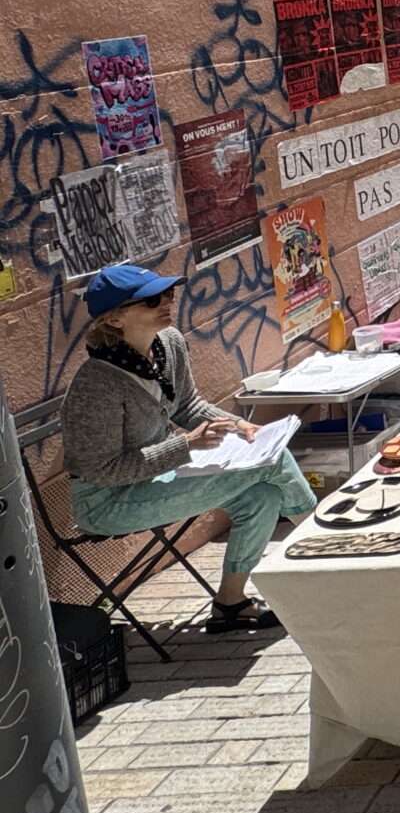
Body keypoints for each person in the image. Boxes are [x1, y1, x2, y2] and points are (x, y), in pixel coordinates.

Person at [62, 265, 317, 634]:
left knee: (261, 495)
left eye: (168, 294)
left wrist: (238, 425)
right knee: (272, 460)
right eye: (152, 300)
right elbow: (103, 470)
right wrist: (185, 445)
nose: (166, 303)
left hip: (157, 475)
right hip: (107, 501)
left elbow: (187, 405)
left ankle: (231, 603)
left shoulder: (169, 343)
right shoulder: (95, 385)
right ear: (115, 319)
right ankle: (326, 543)